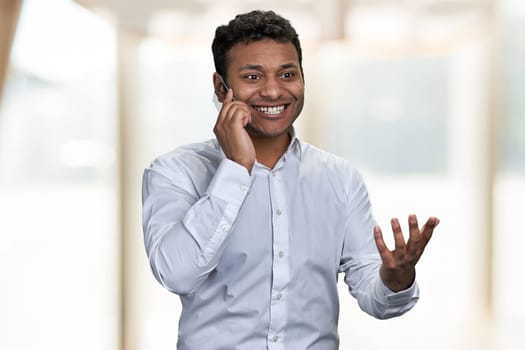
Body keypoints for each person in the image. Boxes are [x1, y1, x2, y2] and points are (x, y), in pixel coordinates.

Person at [142, 9, 440, 350]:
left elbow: (377, 298)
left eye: (287, 74)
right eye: (253, 77)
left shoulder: (339, 178)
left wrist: (396, 278)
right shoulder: (175, 172)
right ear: (220, 86)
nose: (273, 91)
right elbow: (176, 274)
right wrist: (237, 168)